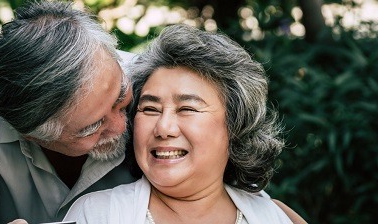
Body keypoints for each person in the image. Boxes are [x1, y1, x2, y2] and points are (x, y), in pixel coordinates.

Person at [0, 1, 138, 223]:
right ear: (30, 135)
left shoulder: (155, 82)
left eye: (120, 96)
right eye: (92, 127)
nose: (121, 126)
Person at [63, 24, 304, 224]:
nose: (163, 128)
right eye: (149, 109)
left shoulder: (273, 217)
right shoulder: (96, 215)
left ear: (235, 125)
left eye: (187, 108)